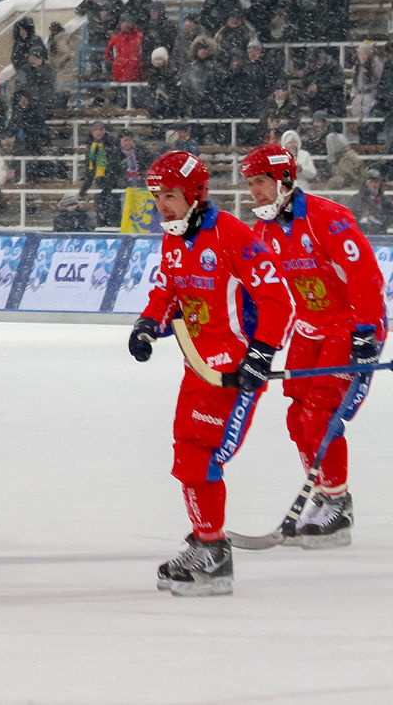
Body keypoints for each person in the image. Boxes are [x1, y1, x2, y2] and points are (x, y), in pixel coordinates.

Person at [128, 151, 293, 597]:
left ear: (195, 193)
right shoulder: (173, 238)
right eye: (157, 196)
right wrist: (148, 323)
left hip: (233, 370)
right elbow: (167, 291)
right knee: (186, 453)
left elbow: (278, 299)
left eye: (170, 195)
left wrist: (261, 353)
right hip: (198, 365)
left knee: (201, 455)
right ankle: (206, 540)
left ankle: (214, 553)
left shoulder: (231, 235)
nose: (161, 205)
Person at [242, 143, 386, 546]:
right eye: (250, 183)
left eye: (261, 181)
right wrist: (257, 345)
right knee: (297, 416)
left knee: (320, 415)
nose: (255, 191)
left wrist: (365, 332)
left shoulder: (327, 217)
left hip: (350, 324)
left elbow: (364, 275)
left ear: (285, 179)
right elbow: (262, 294)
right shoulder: (263, 231)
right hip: (310, 326)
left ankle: (338, 504)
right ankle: (323, 493)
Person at [348, 169, 389, 233]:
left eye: (376, 182)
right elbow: (350, 215)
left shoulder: (384, 200)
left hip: (380, 233)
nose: (373, 184)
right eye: (371, 182)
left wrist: (380, 217)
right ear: (366, 183)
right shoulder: (355, 198)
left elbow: (389, 215)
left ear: (380, 184)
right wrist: (360, 216)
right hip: (360, 233)